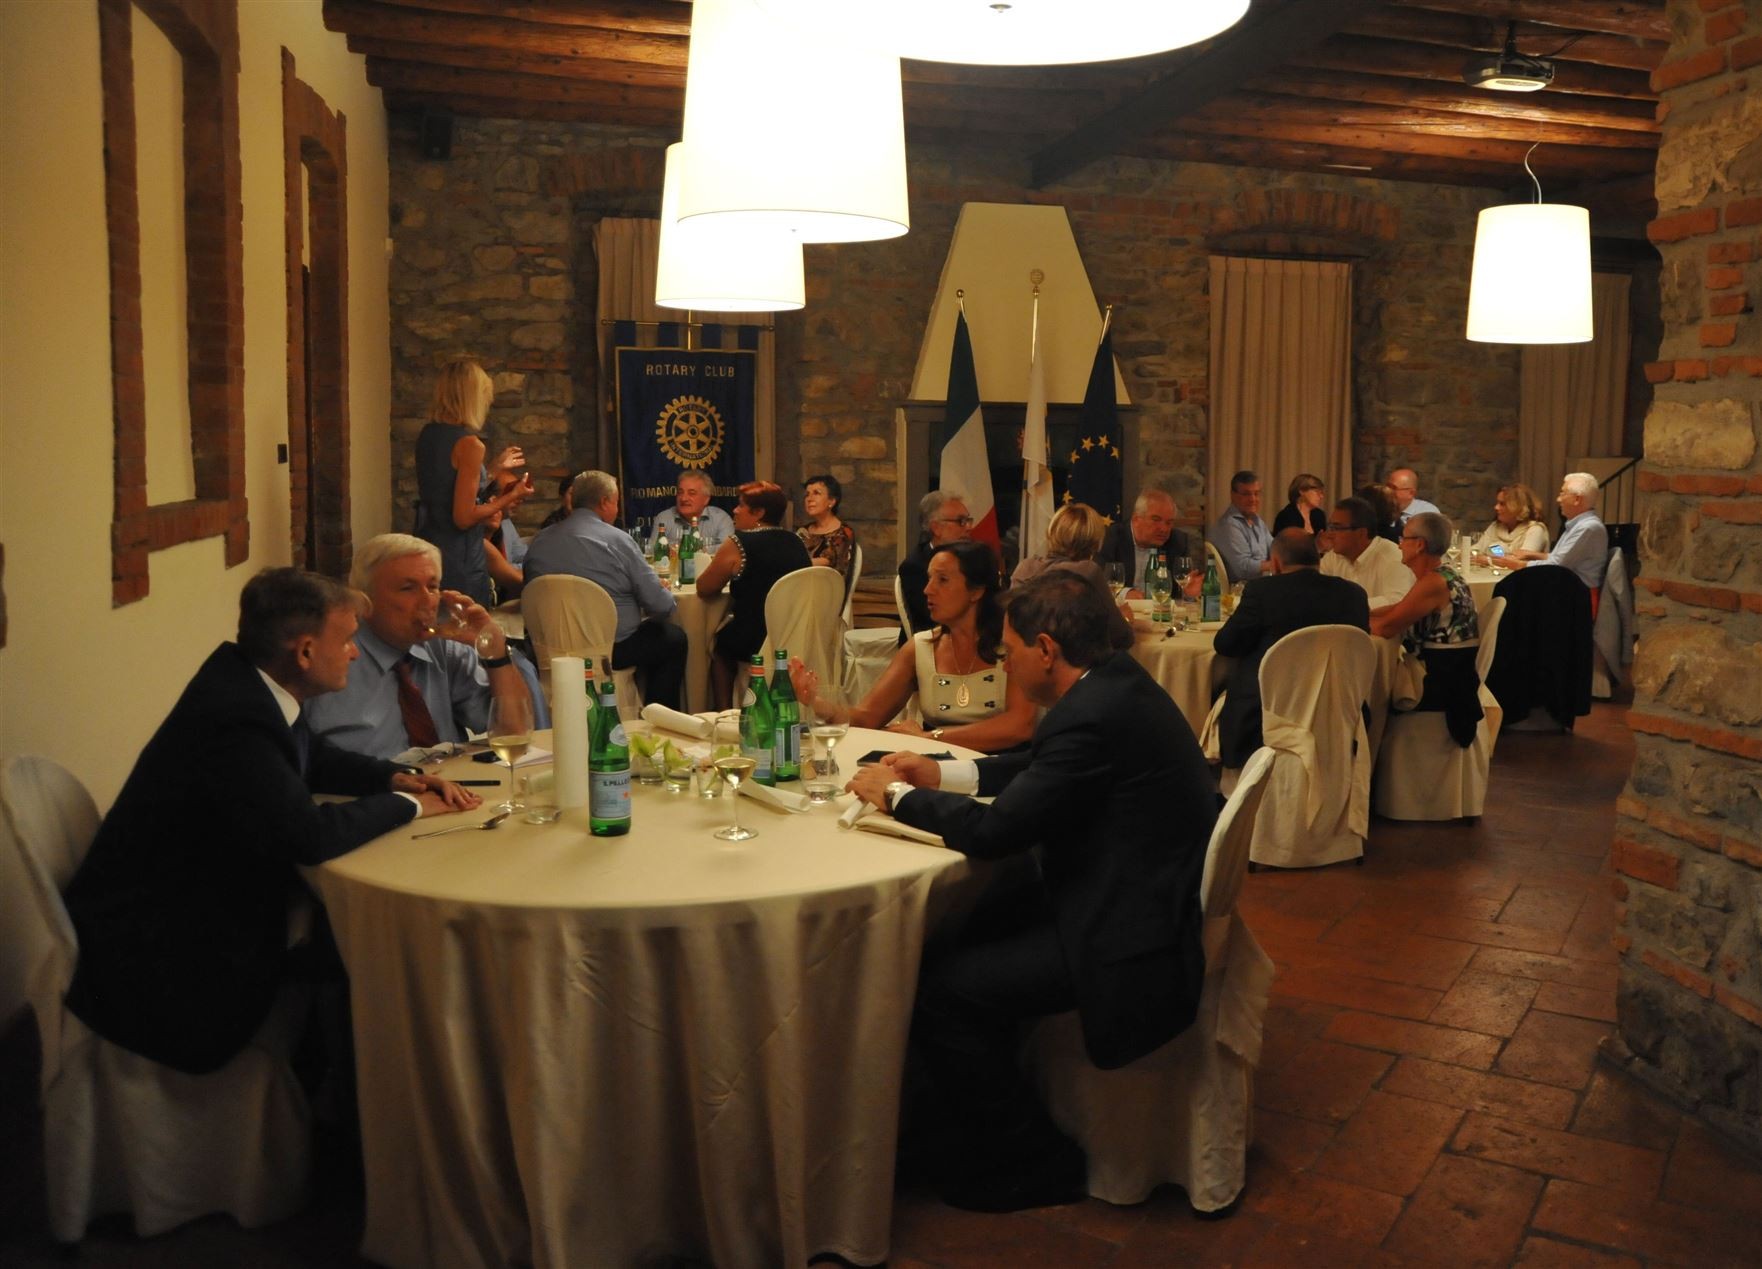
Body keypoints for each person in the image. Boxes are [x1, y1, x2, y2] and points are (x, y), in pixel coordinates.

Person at [847, 572, 1215, 1212]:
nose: (1005, 663)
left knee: (943, 991)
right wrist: (939, 772)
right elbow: (1043, 765)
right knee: (964, 925)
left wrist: (898, 796)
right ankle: (957, 1116)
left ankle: (1033, 1161)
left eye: (1010, 650)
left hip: (1123, 933)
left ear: (1046, 650)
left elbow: (996, 833)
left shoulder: (1090, 715)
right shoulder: (1111, 685)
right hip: (1132, 891)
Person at [59, 569, 479, 1075]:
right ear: (305, 651)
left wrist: (393, 777)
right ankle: (362, 1086)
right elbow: (310, 836)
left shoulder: (245, 679)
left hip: (188, 903)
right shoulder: (236, 719)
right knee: (376, 955)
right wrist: (410, 805)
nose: (353, 653)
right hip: (167, 962)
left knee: (356, 942)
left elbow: (311, 754)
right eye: (347, 640)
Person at [792, 540, 1036, 752]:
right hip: (937, 768)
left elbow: (1020, 725)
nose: (928, 590)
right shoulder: (921, 647)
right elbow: (866, 718)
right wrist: (816, 702)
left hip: (1003, 769)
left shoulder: (1012, 645)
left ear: (976, 592)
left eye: (942, 580)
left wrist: (930, 738)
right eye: (929, 579)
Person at [306, 534, 534, 759]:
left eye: (433, 587)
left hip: (452, 780)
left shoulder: (443, 647)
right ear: (364, 600)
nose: (428, 601)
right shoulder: (330, 659)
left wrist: (495, 653)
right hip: (368, 782)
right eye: (408, 588)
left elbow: (515, 734)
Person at [525, 469, 688, 710]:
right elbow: (661, 605)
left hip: (551, 651)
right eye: (616, 502)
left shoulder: (539, 542)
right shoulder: (617, 541)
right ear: (604, 502)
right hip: (608, 651)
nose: (617, 508)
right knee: (673, 639)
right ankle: (658, 718)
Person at [1213, 529, 1369, 769]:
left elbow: (1226, 644)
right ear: (1318, 560)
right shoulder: (1354, 595)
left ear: (1275, 563)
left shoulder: (1262, 591)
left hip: (1268, 712)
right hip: (1337, 711)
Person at [412, 357, 533, 606]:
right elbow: (464, 517)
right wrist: (512, 495)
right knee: (467, 621)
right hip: (460, 554)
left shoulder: (428, 434)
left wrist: (494, 469)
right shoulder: (469, 444)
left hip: (430, 544)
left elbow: (446, 488)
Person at [1371, 511, 1483, 747]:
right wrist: (1360, 612)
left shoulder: (1433, 583)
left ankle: (1371, 759)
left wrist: (1350, 619)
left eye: (1403, 538)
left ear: (1419, 545)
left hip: (1442, 680)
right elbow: (1400, 609)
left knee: (1369, 696)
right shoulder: (1444, 575)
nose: (1399, 545)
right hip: (1454, 674)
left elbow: (1386, 627)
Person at [697, 479, 813, 707]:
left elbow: (705, 587)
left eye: (741, 505)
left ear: (759, 512)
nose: (735, 510)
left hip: (755, 636)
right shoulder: (796, 541)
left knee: (721, 647)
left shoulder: (739, 542)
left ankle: (722, 712)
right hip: (794, 631)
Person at [1501, 472, 1609, 594]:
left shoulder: (1588, 527)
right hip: (1569, 591)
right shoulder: (1578, 524)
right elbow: (1558, 558)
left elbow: (1556, 566)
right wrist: (1532, 554)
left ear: (1577, 499)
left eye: (1563, 493)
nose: (1558, 499)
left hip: (1578, 596)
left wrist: (1519, 564)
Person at [898, 489, 973, 637]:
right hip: (934, 640)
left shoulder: (972, 558)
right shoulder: (915, 566)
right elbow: (931, 618)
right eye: (961, 521)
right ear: (936, 528)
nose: (969, 527)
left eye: (968, 520)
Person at [1320, 495, 1414, 609]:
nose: (1329, 535)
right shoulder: (1333, 557)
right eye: (1330, 527)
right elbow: (1316, 590)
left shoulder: (1392, 557)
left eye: (1337, 528)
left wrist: (1346, 606)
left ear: (1361, 533)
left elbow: (1397, 600)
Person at [1096, 488, 1191, 588]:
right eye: (1156, 520)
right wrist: (1126, 593)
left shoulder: (1178, 542)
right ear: (1136, 519)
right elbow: (1098, 581)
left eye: (1169, 522)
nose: (1164, 529)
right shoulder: (1109, 538)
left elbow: (1182, 586)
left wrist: (1188, 591)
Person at [1011, 501, 1109, 589]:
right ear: (1093, 544)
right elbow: (1107, 605)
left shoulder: (1025, 567)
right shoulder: (1088, 571)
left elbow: (1012, 603)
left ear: (1051, 533)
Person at [1212, 469, 1273, 583]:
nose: (1253, 499)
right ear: (1232, 495)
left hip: (1262, 585)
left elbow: (1274, 548)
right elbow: (1243, 568)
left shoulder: (1258, 521)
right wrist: (1277, 564)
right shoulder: (1229, 525)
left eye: (1256, 493)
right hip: (1242, 589)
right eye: (1246, 494)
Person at [650, 468, 734, 550]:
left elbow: (727, 551)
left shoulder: (721, 519)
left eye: (691, 493)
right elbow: (653, 551)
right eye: (680, 492)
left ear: (706, 499)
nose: (683, 498)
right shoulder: (664, 519)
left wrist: (683, 550)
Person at [796, 473, 856, 582]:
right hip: (800, 584)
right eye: (807, 494)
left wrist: (789, 563)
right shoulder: (803, 531)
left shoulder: (844, 532)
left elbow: (826, 561)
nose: (809, 499)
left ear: (831, 501)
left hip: (828, 587)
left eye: (816, 493)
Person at [1473, 483, 1550, 557]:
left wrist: (1489, 554)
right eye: (1497, 503)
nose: (1496, 507)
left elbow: (1521, 561)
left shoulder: (1535, 530)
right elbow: (1475, 550)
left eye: (1502, 504)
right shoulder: (1495, 527)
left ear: (1517, 508)